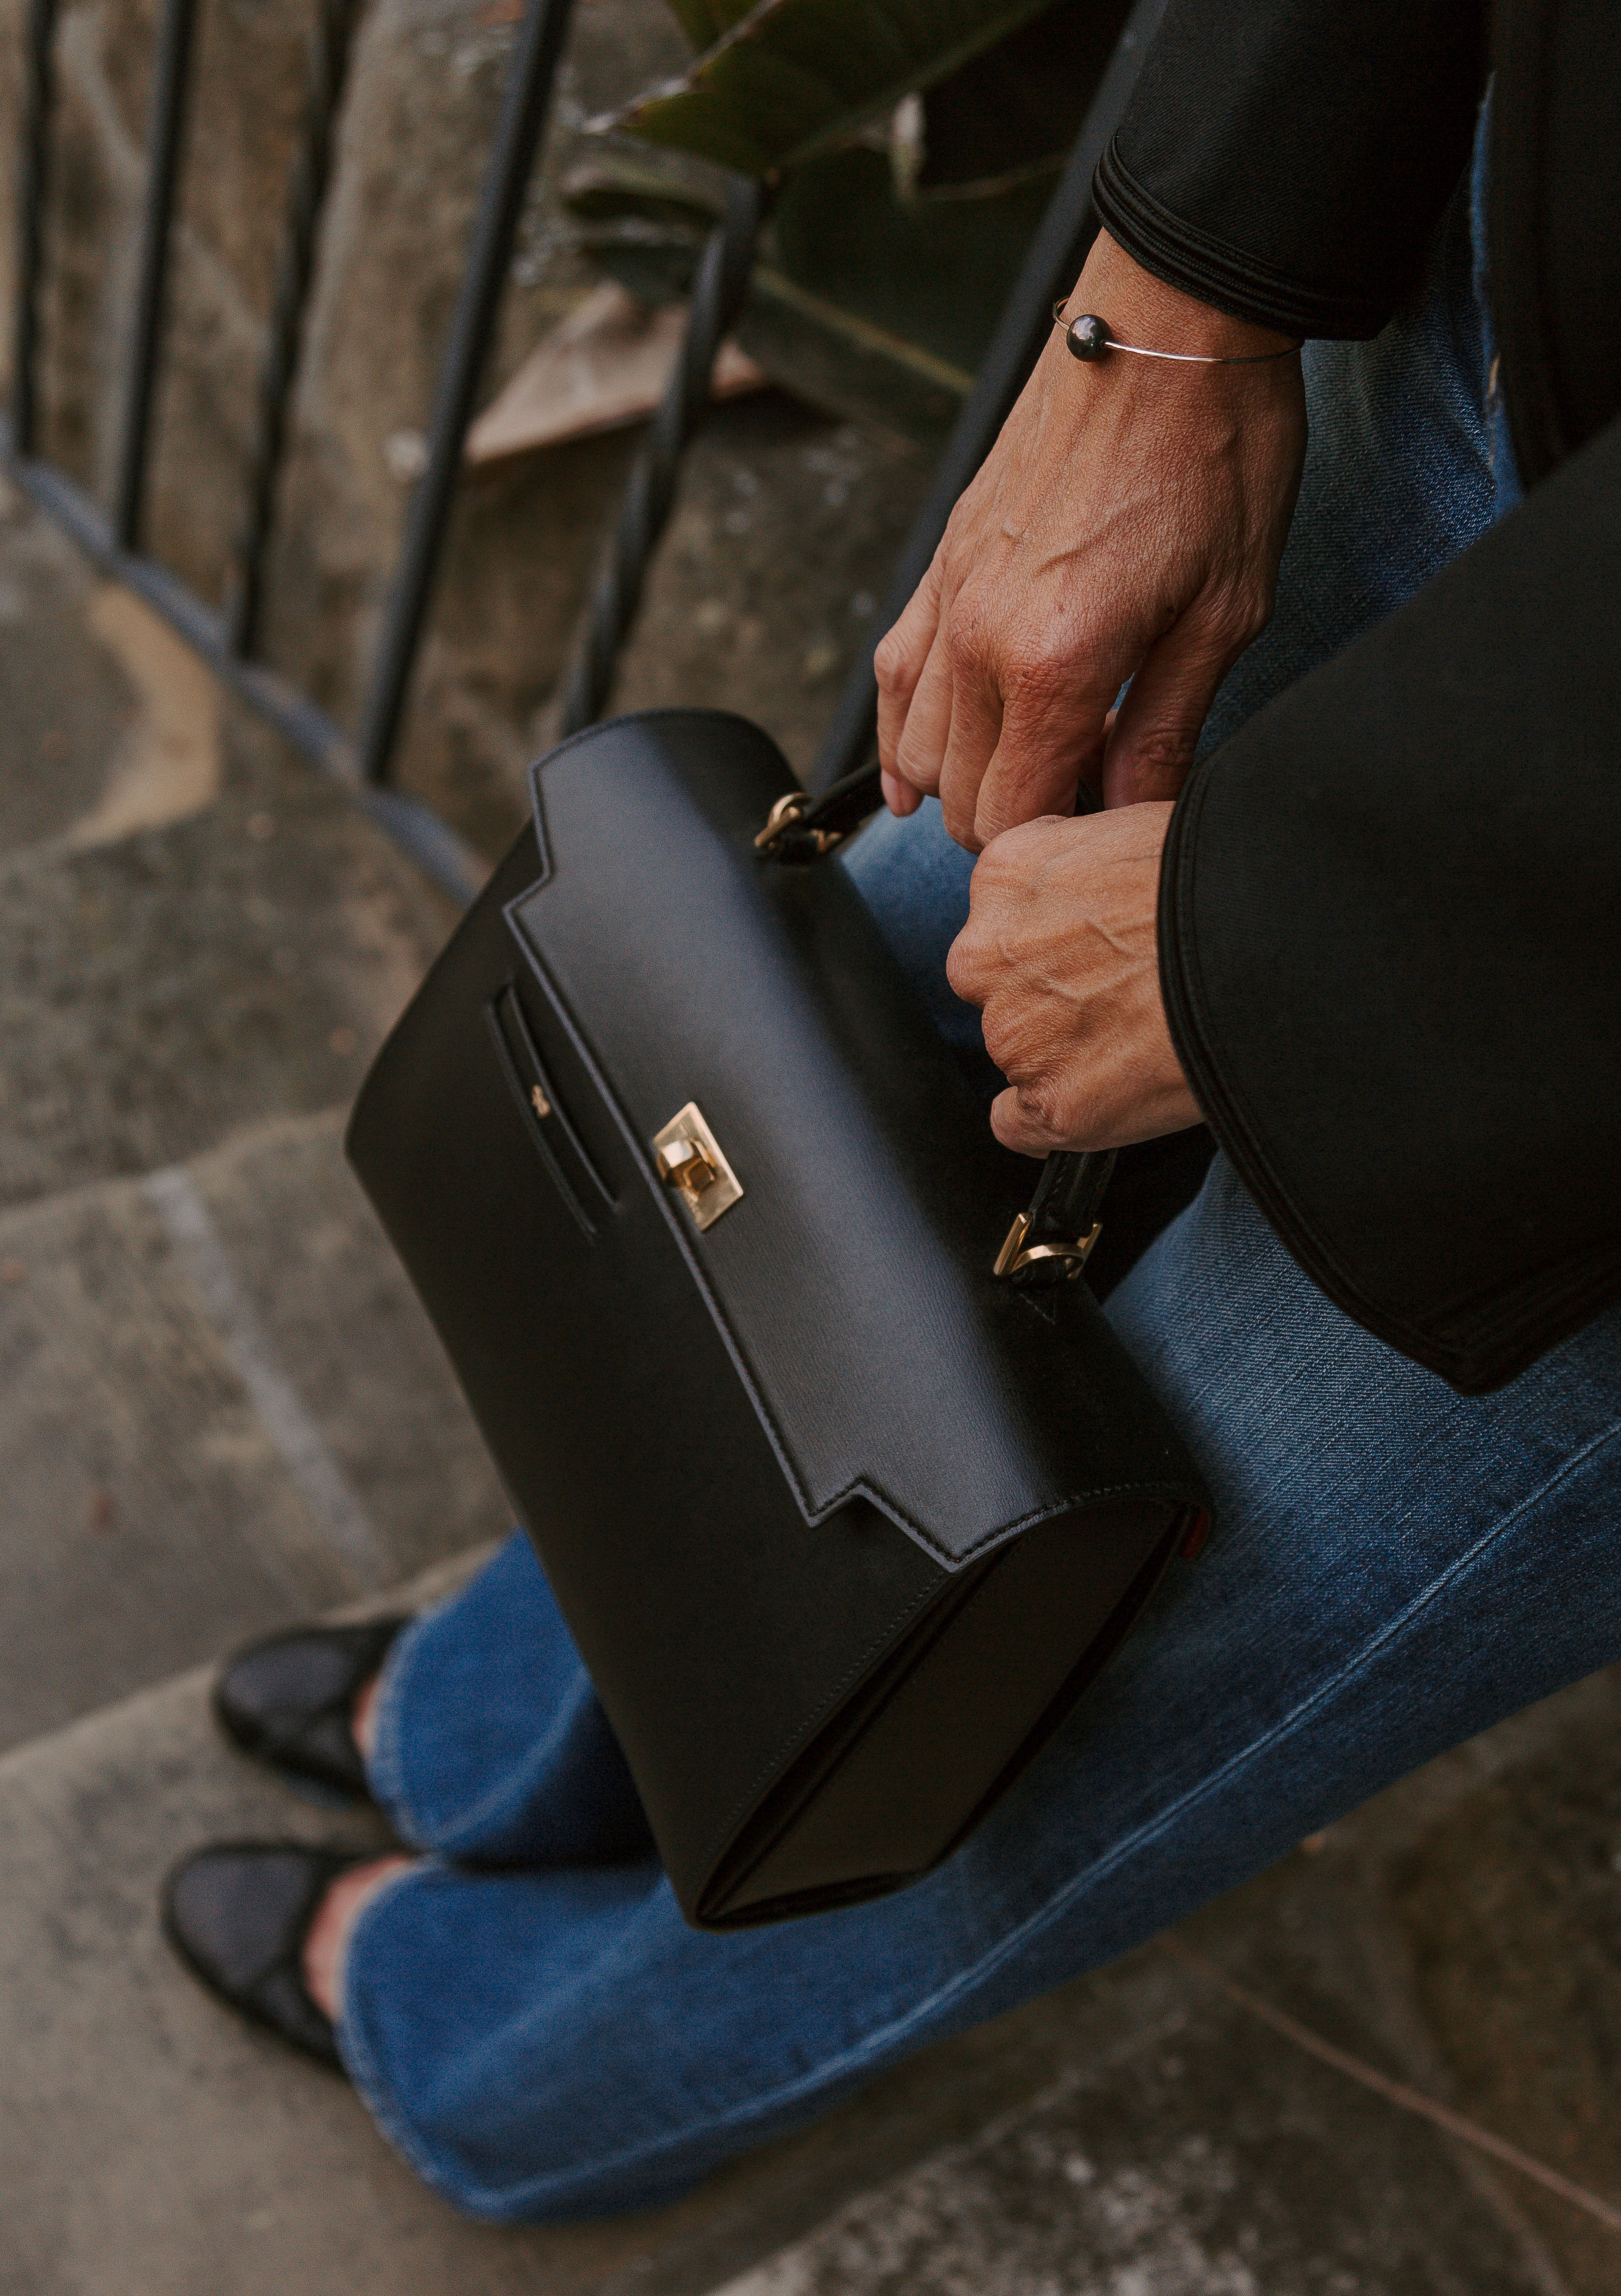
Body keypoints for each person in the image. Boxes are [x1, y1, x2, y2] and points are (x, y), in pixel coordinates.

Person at [162, 0, 1621, 2220]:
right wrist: (1172, 295)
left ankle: (529, 2074)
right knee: (757, 1181)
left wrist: (1272, 945)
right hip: (1449, 287)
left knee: (1105, 1641)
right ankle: (505, 1735)